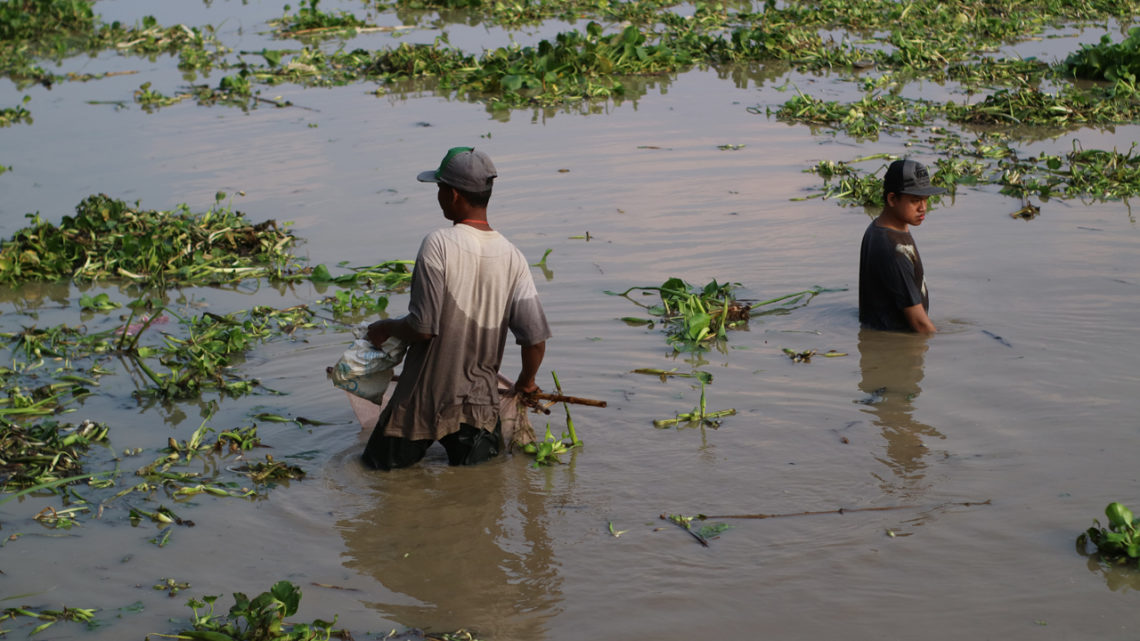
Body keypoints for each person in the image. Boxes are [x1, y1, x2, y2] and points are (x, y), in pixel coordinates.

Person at [361, 147, 551, 470]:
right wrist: (526, 382)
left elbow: (422, 327)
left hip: (422, 399)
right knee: (480, 490)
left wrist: (386, 327)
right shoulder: (513, 257)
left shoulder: (437, 244)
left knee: (375, 476)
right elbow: (534, 340)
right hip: (479, 405)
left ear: (452, 195)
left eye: (438, 189)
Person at [858, 159, 947, 334]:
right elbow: (920, 324)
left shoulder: (879, 228)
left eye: (925, 199)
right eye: (915, 200)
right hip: (894, 348)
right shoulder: (893, 250)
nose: (923, 208)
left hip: (879, 341)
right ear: (892, 199)